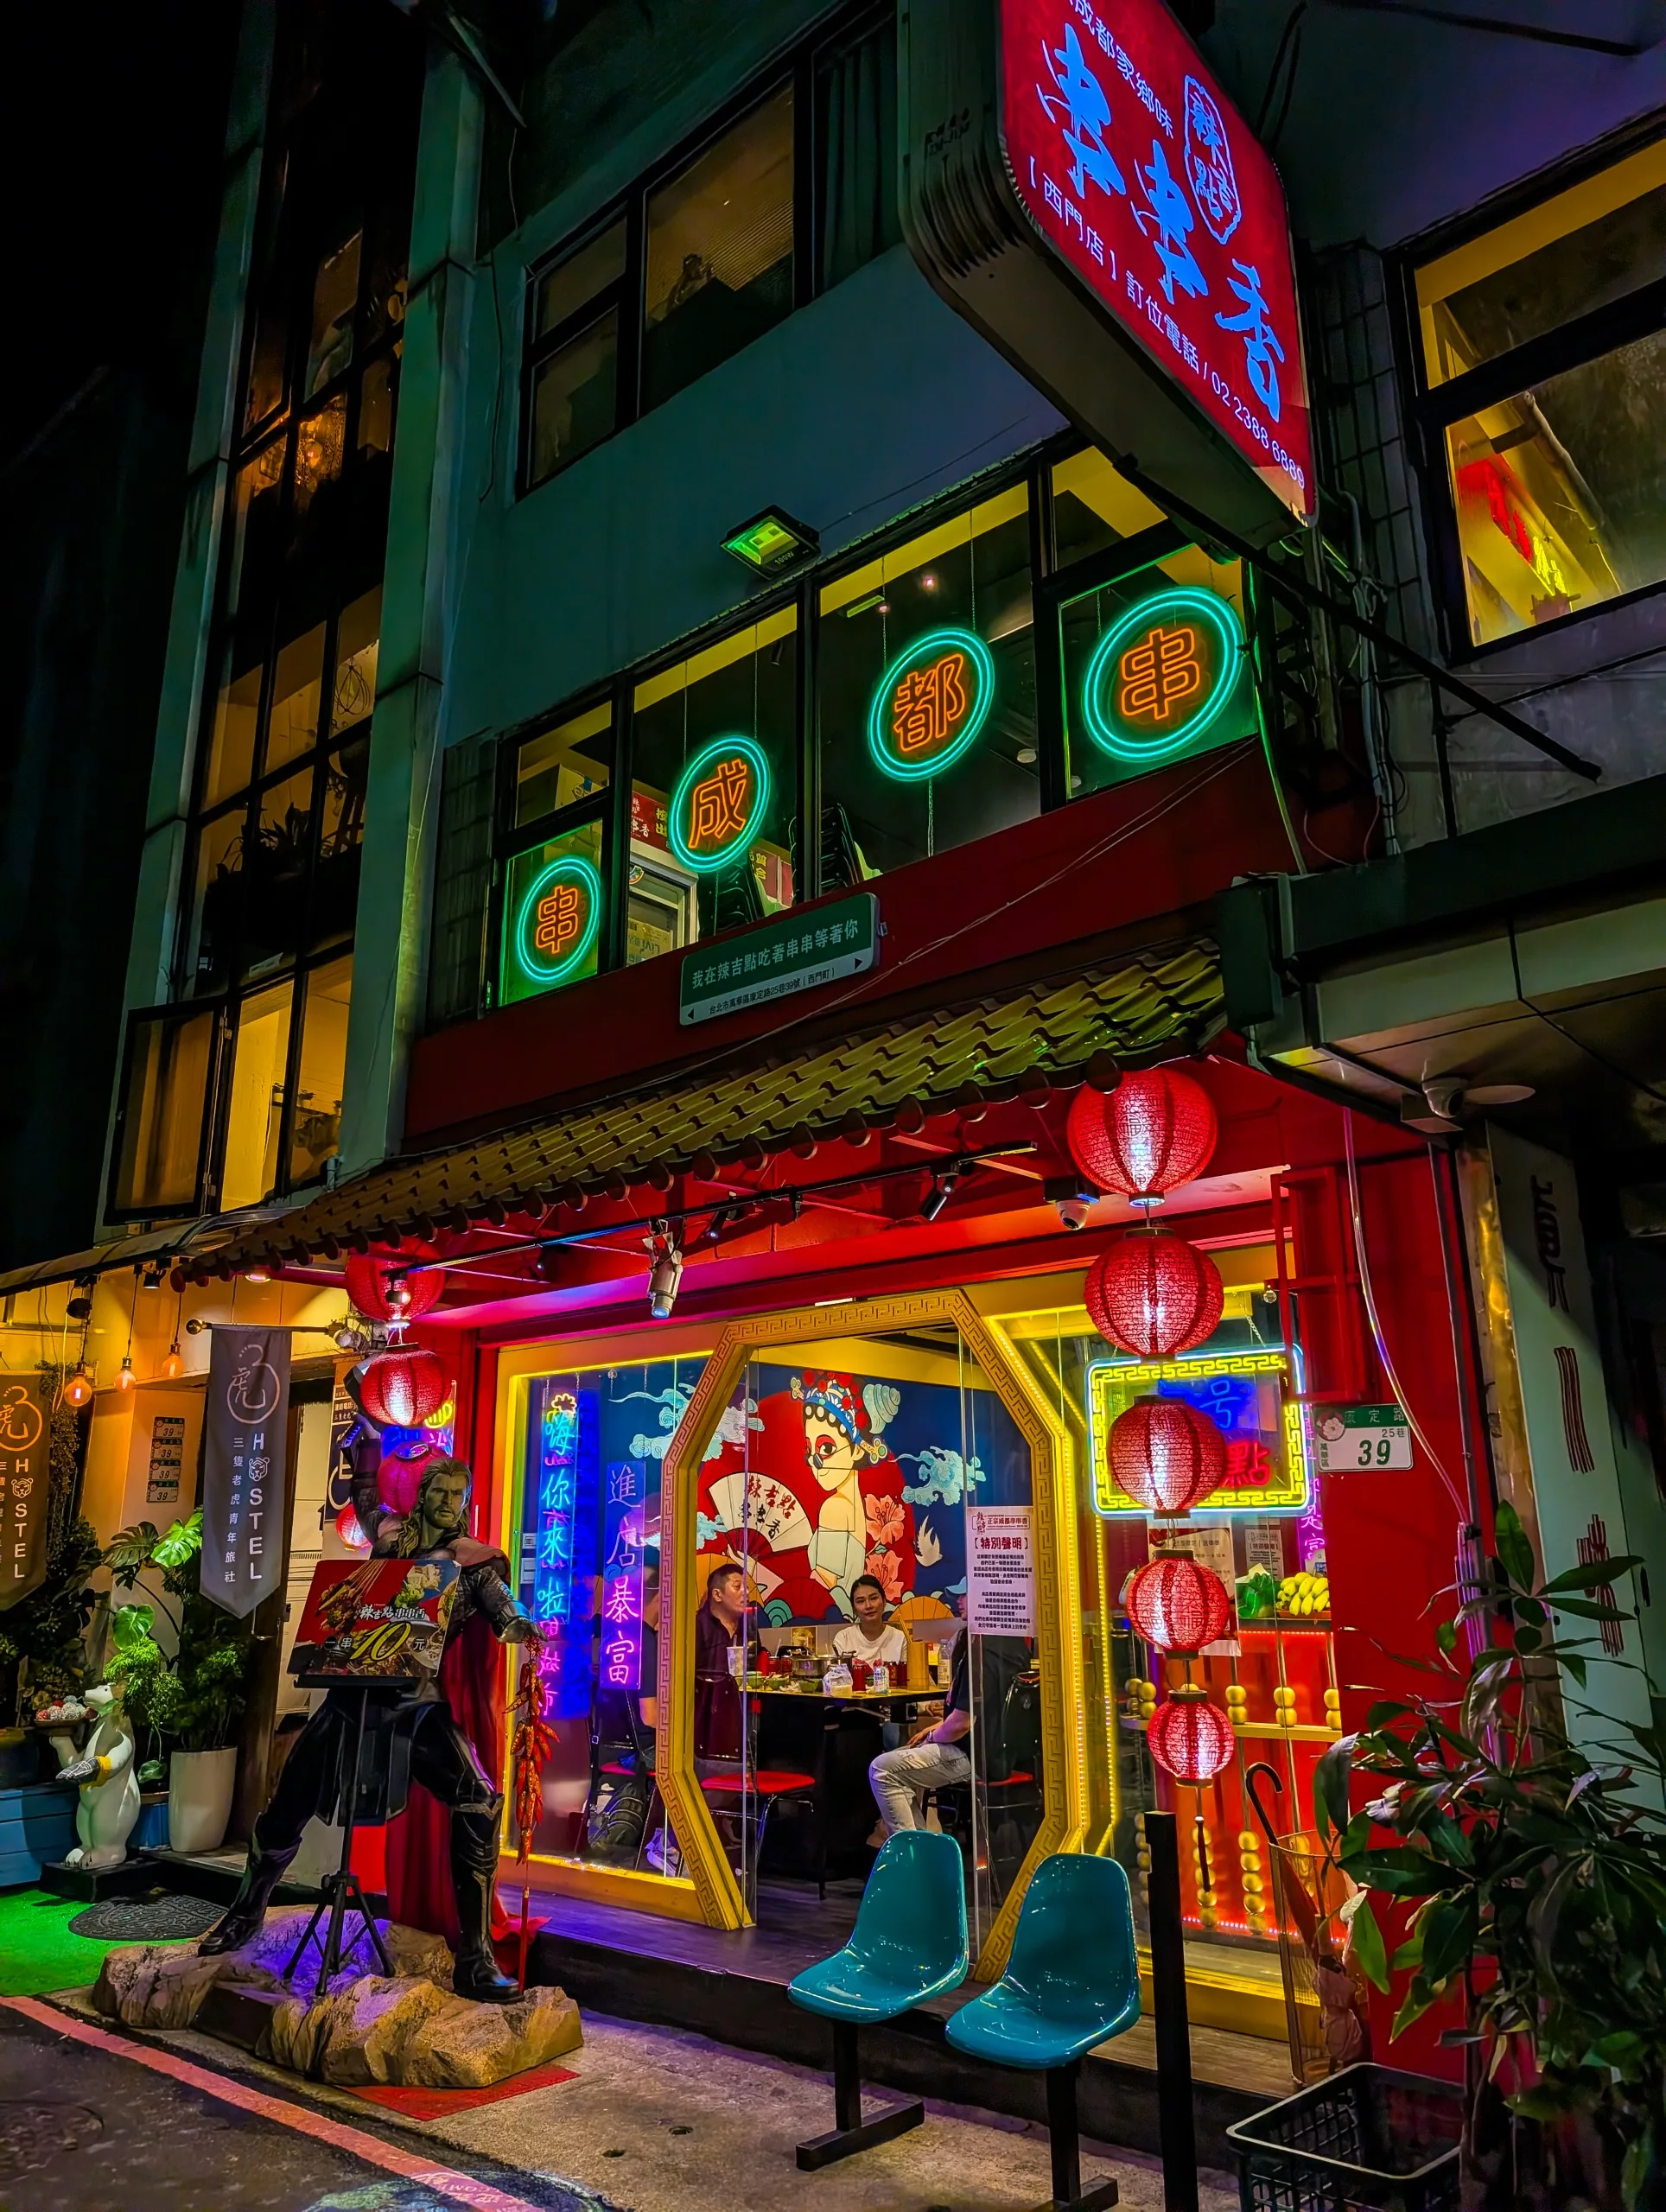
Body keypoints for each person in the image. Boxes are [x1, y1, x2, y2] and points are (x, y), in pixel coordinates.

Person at [199, 1453, 541, 2003]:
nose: (450, 1503)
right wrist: (366, 1429)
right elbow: (363, 1497)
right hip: (349, 1698)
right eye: (440, 1492)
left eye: (459, 1494)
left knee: (478, 1800)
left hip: (417, 1705)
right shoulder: (390, 1539)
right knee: (287, 1806)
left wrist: (518, 1622)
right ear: (422, 1495)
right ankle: (245, 1911)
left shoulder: (472, 1561)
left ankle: (474, 1960)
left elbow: (503, 1607)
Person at [693, 1560, 756, 1761]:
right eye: (738, 1587)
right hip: (705, 1722)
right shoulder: (697, 1626)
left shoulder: (748, 1626)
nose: (745, 1592)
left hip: (744, 1715)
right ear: (717, 1594)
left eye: (746, 1587)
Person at [830, 1574, 908, 1675]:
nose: (868, 1606)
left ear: (884, 1601)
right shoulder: (843, 1638)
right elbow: (837, 1681)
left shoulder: (900, 1638)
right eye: (861, 1601)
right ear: (854, 1609)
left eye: (873, 1598)